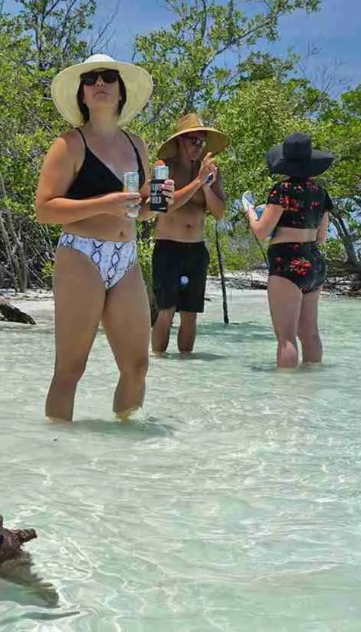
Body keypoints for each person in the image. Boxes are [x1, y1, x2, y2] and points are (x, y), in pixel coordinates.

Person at [34, 54, 157, 422]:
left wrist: (160, 203)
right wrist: (104, 204)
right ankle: (58, 455)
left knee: (137, 366)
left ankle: (122, 452)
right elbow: (45, 209)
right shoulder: (69, 144)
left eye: (107, 77)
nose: (99, 83)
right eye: (90, 79)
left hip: (127, 255)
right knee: (71, 368)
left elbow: (142, 210)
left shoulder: (138, 145)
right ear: (82, 95)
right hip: (81, 255)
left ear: (121, 91)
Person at [241, 132, 335, 369]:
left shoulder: (282, 190)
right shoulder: (320, 193)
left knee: (286, 338)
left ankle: (288, 398)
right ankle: (311, 388)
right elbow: (321, 236)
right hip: (314, 262)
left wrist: (250, 213)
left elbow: (261, 231)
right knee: (310, 334)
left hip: (287, 263)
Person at [151, 113, 228, 355]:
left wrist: (206, 184)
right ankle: (159, 365)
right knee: (166, 311)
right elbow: (159, 206)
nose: (198, 147)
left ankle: (186, 373)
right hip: (167, 247)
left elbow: (219, 213)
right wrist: (197, 181)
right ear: (181, 140)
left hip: (196, 249)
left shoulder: (211, 171)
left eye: (202, 142)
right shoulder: (162, 168)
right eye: (194, 141)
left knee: (190, 314)